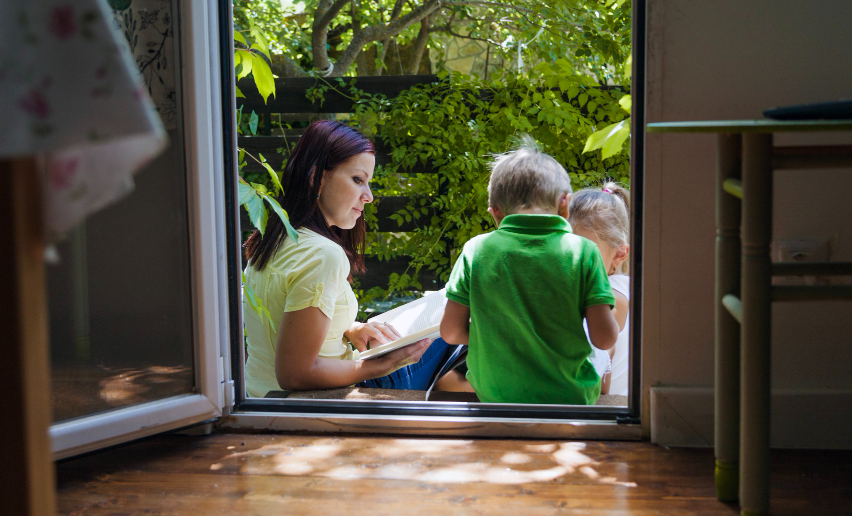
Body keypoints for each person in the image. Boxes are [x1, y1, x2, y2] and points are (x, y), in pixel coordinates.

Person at [242, 120, 461, 398]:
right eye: (358, 180)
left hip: (259, 396)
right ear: (316, 178)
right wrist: (382, 365)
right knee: (462, 315)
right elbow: (294, 373)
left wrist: (351, 328)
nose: (368, 196)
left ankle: (452, 387)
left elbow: (286, 312)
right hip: (325, 397)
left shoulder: (270, 238)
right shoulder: (323, 255)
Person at [439, 140, 618, 404]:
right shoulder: (584, 252)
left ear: (495, 213)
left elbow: (451, 332)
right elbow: (604, 339)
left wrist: (495, 333)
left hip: (495, 397)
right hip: (570, 399)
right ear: (565, 205)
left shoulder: (476, 250)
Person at [569, 181, 631, 396]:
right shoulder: (628, 286)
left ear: (619, 254)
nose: (571, 263)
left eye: (586, 254)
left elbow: (593, 383)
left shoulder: (608, 297)